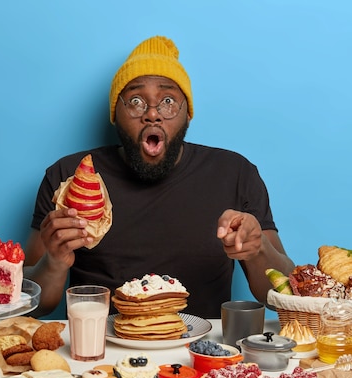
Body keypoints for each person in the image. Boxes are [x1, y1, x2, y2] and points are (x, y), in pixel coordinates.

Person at [23, 35, 295, 319]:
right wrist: (54, 262)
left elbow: (283, 295)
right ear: (115, 113)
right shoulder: (67, 178)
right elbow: (34, 303)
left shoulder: (235, 173)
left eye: (167, 101)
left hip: (202, 354)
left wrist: (258, 249)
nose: (152, 114)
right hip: (100, 352)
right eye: (136, 101)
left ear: (187, 113)